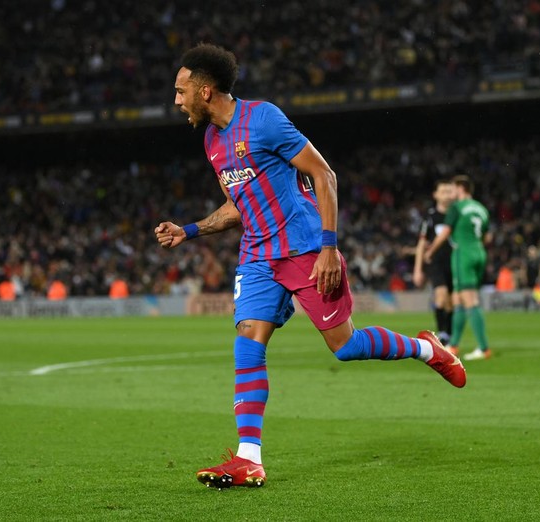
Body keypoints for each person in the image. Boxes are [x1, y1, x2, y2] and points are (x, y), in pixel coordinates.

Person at [154, 44, 466, 489]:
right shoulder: (212, 141)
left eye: (181, 91)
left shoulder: (263, 119)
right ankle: (249, 458)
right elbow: (237, 205)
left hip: (304, 247)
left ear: (205, 91)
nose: (177, 101)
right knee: (248, 340)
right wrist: (190, 230)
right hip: (258, 255)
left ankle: (428, 349)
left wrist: (328, 247)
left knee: (346, 346)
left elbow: (325, 176)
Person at [425, 175, 492, 361]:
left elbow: (445, 233)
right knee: (459, 300)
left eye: (453, 189)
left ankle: (483, 348)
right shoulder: (481, 209)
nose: (451, 193)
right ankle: (453, 345)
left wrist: (430, 251)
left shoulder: (457, 208)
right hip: (479, 252)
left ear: (461, 189)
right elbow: (488, 238)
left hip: (463, 253)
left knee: (469, 299)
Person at [413, 179, 454, 346]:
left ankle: (449, 336)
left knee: (450, 302)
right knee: (441, 294)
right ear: (435, 195)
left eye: (449, 191)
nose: (446, 195)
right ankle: (442, 335)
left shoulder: (455, 215)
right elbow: (422, 243)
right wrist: (418, 269)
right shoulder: (430, 217)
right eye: (443, 191)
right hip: (435, 261)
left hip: (453, 262)